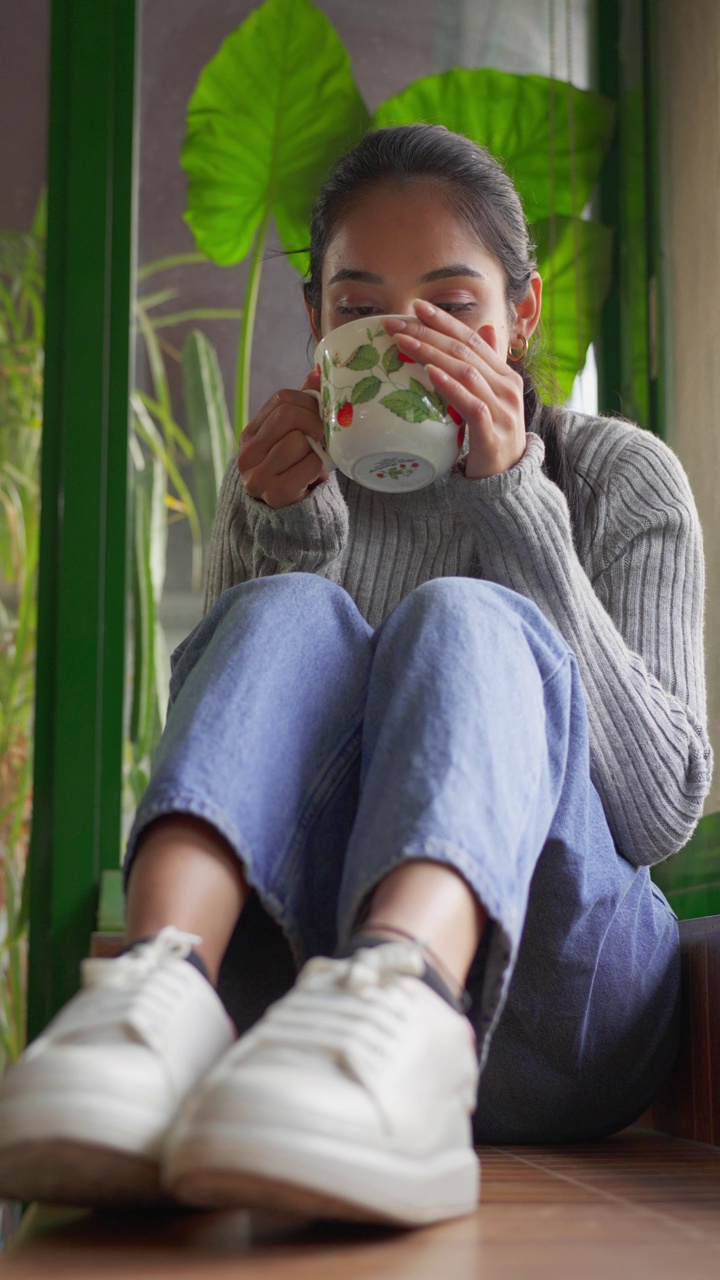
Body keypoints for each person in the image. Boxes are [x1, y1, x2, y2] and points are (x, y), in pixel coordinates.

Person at [0, 125, 712, 1227]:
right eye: (360, 308)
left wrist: (519, 502)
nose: (405, 341)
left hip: (567, 1018)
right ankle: (154, 988)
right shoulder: (277, 488)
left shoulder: (621, 474)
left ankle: (410, 985)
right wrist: (293, 544)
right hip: (296, 1032)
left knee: (465, 614)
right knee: (287, 610)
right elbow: (254, 778)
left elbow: (661, 810)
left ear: (520, 315)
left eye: (453, 305)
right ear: (319, 323)